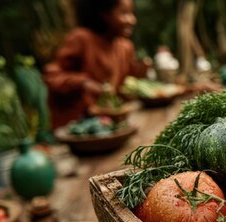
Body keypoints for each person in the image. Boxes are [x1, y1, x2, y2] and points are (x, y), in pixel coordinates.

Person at [44, 0, 148, 129]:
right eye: (124, 13)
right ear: (105, 14)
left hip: (112, 126)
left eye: (132, 13)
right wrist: (83, 82)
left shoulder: (125, 47)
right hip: (78, 129)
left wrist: (141, 73)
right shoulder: (81, 38)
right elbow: (52, 76)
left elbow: (125, 86)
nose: (132, 20)